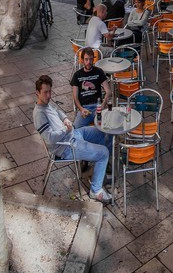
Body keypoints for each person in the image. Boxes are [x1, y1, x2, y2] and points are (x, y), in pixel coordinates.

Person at [33, 75, 113, 203]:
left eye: (50, 91)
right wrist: (66, 129)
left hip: (74, 134)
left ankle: (101, 169)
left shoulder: (47, 104)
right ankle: (96, 191)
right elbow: (50, 138)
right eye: (45, 92)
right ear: (37, 92)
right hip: (66, 146)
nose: (48, 95)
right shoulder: (39, 114)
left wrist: (65, 119)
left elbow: (58, 112)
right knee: (103, 153)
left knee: (102, 132)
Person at [70, 48, 108, 127]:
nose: (89, 62)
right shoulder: (77, 75)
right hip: (84, 108)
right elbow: (75, 97)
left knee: (107, 128)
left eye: (91, 59)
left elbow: (108, 91)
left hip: (97, 107)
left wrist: (103, 104)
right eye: (86, 59)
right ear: (82, 60)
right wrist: (81, 109)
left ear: (93, 59)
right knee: (75, 129)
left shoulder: (99, 71)